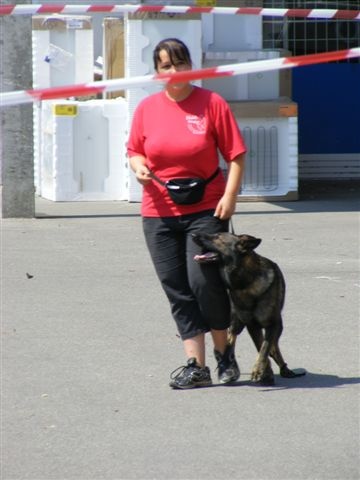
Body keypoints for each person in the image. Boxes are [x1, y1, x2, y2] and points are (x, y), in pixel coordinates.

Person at [127, 38, 247, 389]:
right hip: (158, 212)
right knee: (177, 287)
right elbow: (134, 149)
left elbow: (236, 154)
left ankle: (225, 354)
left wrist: (230, 196)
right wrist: (138, 166)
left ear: (191, 66)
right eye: (166, 65)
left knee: (204, 282)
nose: (175, 71)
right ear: (157, 71)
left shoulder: (212, 103)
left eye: (181, 64)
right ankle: (196, 364)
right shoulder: (147, 108)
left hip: (206, 209)